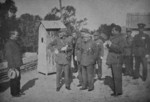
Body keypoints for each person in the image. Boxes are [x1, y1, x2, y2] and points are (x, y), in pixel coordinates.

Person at [106, 25, 126, 96]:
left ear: (118, 31)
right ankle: (118, 91)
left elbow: (120, 49)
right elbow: (111, 48)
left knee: (117, 76)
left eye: (113, 30)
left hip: (117, 59)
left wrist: (111, 44)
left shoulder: (121, 38)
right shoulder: (113, 38)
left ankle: (117, 92)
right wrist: (107, 45)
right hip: (113, 59)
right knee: (115, 76)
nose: (112, 31)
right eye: (112, 30)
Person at [5, 30, 24, 97]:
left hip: (17, 64)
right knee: (14, 80)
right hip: (13, 65)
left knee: (18, 79)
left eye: (18, 35)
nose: (17, 36)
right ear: (12, 35)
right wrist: (12, 66)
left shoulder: (15, 42)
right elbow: (9, 56)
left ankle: (18, 91)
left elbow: (18, 54)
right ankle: (14, 93)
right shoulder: (8, 44)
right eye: (16, 35)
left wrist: (20, 63)